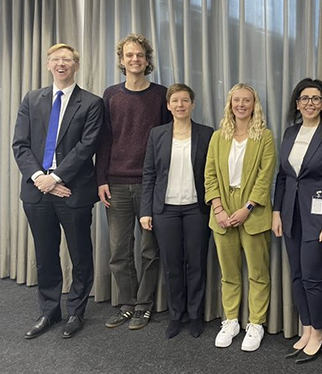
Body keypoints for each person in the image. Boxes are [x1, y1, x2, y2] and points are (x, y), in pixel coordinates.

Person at [12, 43, 103, 339]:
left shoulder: (91, 103)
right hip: (37, 192)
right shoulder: (31, 99)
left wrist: (58, 177)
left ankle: (76, 310)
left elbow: (87, 146)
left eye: (67, 59)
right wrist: (41, 177)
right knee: (46, 254)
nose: (61, 64)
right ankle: (49, 311)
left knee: (80, 253)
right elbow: (20, 145)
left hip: (73, 191)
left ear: (76, 65)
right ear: (48, 64)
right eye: (56, 59)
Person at [96, 33, 172, 330]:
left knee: (149, 250)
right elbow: (104, 139)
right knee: (119, 249)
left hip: (149, 185)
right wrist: (101, 179)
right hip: (115, 183)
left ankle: (144, 306)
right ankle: (127, 303)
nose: (135, 59)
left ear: (147, 59)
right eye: (129, 55)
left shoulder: (160, 95)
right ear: (122, 60)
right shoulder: (111, 94)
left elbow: (169, 143)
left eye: (140, 55)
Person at [272, 78, 322, 363]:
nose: (310, 103)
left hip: (320, 216)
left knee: (312, 276)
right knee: (296, 276)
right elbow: (282, 176)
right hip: (291, 214)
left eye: (316, 99)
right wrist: (276, 211)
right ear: (297, 103)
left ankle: (319, 332)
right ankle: (306, 328)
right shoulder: (290, 132)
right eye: (305, 98)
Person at [204, 83, 276, 352]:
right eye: (237, 100)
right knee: (229, 273)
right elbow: (209, 174)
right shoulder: (217, 136)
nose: (242, 105)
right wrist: (218, 208)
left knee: (258, 273)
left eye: (247, 100)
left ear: (254, 104)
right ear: (230, 103)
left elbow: (265, 177)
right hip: (222, 211)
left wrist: (247, 207)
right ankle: (231, 320)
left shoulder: (265, 137)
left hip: (253, 212)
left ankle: (256, 323)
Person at [140, 84, 213, 339]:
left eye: (185, 100)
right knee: (172, 265)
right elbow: (149, 174)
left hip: (197, 209)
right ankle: (175, 315)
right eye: (175, 101)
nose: (180, 105)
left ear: (193, 104)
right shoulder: (157, 134)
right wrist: (145, 211)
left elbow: (212, 173)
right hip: (165, 210)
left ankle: (195, 315)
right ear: (168, 105)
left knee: (196, 263)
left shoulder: (206, 134)